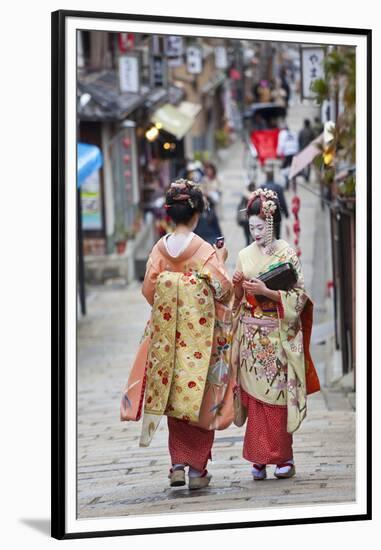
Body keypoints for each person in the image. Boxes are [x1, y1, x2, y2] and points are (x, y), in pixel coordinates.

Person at [140, 179, 233, 490]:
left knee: (173, 396)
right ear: (196, 214)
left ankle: (177, 464)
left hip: (168, 337)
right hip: (201, 340)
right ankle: (196, 471)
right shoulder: (203, 250)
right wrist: (220, 260)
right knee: (200, 397)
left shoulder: (159, 249)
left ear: (171, 214)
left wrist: (172, 299)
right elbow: (223, 290)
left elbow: (149, 290)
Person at [231, 188, 319, 481]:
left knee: (277, 399)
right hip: (252, 335)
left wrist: (267, 292)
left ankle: (283, 457)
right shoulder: (244, 255)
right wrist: (236, 285)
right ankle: (258, 460)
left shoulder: (287, 253)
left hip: (278, 335)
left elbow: (299, 295)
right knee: (256, 401)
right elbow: (236, 300)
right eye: (251, 227)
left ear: (270, 223)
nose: (255, 233)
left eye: (259, 227)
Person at [259, 168, 289, 238]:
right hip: (276, 213)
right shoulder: (278, 187)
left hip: (265, 215)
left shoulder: (262, 187)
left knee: (266, 235)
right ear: (273, 176)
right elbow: (282, 201)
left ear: (266, 176)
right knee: (277, 235)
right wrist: (286, 213)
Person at [277, 125, 299, 190]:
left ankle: (287, 183)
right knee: (293, 169)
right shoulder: (294, 133)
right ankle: (294, 185)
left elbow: (281, 144)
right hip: (294, 152)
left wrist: (279, 153)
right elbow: (297, 143)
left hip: (287, 153)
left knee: (283, 169)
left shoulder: (282, 134)